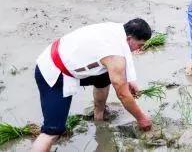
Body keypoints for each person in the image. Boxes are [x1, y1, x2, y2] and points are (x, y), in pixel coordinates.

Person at [32, 19, 153, 152]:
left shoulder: (118, 30)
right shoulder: (114, 55)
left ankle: (99, 115)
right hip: (52, 71)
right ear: (130, 38)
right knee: (52, 132)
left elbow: (123, 53)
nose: (140, 48)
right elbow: (123, 95)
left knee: (106, 74)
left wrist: (130, 79)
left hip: (67, 58)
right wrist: (141, 118)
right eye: (140, 45)